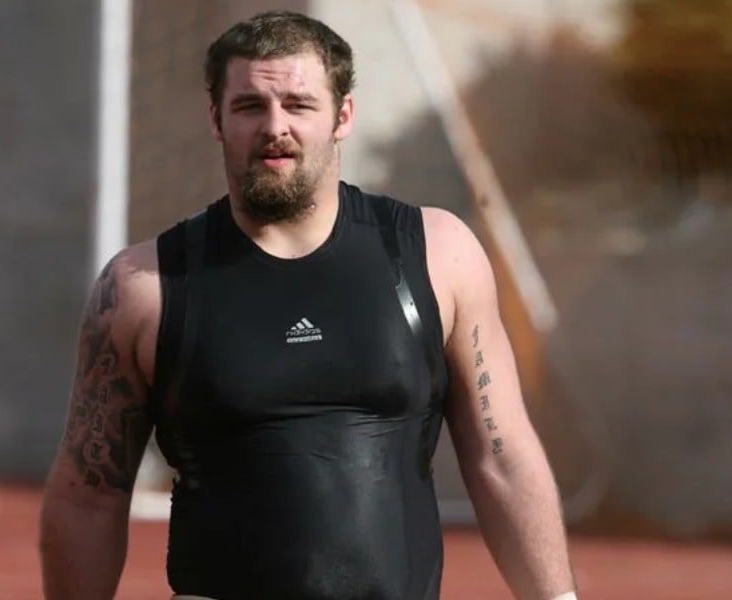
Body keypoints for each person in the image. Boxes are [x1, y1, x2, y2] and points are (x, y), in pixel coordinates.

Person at [39, 10, 577, 600]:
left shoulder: (436, 254)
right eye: (250, 106)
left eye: (299, 105)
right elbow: (90, 493)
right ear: (216, 117)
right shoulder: (145, 286)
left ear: (342, 115)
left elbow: (502, 458)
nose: (275, 127)